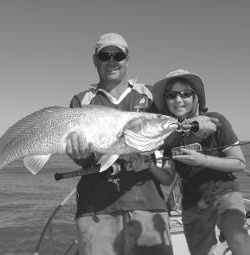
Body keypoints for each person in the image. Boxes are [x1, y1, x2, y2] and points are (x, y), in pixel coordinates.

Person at [66, 33, 217, 255]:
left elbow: (174, 130)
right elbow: (87, 160)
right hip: (96, 209)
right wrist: (79, 155)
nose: (112, 60)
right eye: (105, 55)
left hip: (149, 206)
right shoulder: (82, 101)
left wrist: (198, 125)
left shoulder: (149, 95)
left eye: (118, 54)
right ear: (95, 60)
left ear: (127, 59)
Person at [151, 69, 250, 255]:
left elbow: (239, 162)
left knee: (238, 239)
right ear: (166, 101)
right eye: (171, 95)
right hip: (193, 204)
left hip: (224, 192)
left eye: (186, 94)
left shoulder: (216, 120)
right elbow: (167, 177)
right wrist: (147, 164)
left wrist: (202, 160)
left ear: (197, 97)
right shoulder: (169, 137)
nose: (179, 100)